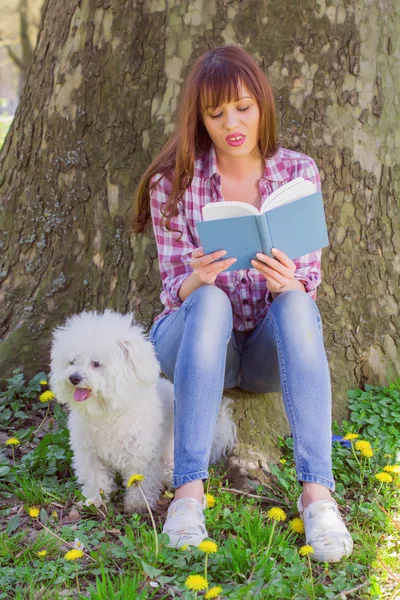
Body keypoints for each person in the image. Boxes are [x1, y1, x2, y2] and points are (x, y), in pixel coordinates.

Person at [131, 45, 353, 562]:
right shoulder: (175, 183)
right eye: (216, 113)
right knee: (208, 300)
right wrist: (196, 278)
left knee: (298, 305)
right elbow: (170, 292)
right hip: (193, 342)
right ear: (200, 119)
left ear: (262, 105)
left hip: (262, 353)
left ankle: (317, 495)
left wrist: (288, 284)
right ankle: (188, 494)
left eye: (243, 107)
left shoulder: (299, 173)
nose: (232, 123)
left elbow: (310, 280)